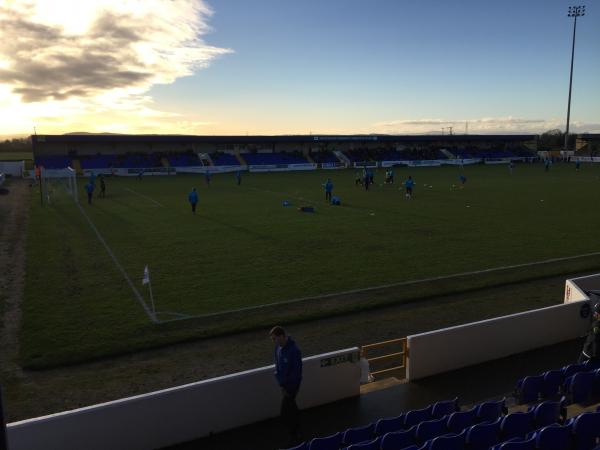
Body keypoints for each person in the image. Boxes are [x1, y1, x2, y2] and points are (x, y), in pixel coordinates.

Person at [270, 326, 302, 445]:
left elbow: (296, 373)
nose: (274, 342)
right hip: (284, 386)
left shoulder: (294, 350)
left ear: (282, 336)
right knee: (292, 408)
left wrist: (288, 389)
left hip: (291, 387)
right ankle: (297, 431)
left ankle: (293, 435)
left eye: (275, 338)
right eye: (273, 339)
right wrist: (281, 385)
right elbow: (277, 366)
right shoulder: (278, 348)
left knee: (285, 412)